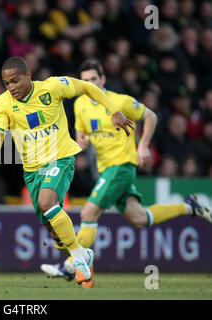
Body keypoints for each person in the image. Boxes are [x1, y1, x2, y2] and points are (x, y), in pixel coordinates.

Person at [0, 56, 135, 288]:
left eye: (15, 81)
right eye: (6, 84)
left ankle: (77, 259)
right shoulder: (3, 104)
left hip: (61, 158)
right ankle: (83, 253)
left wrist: (113, 111)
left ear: (28, 75)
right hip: (32, 171)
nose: (11, 87)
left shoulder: (52, 87)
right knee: (53, 231)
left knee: (48, 201)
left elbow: (86, 86)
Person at [39, 60, 212, 281]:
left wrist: (143, 145)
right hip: (106, 170)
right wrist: (80, 140)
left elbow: (151, 116)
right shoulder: (80, 104)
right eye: (85, 80)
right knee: (139, 218)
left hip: (121, 166)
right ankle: (189, 206)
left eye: (93, 79)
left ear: (102, 79)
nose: (89, 83)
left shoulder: (119, 101)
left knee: (88, 213)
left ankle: (71, 266)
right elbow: (81, 134)